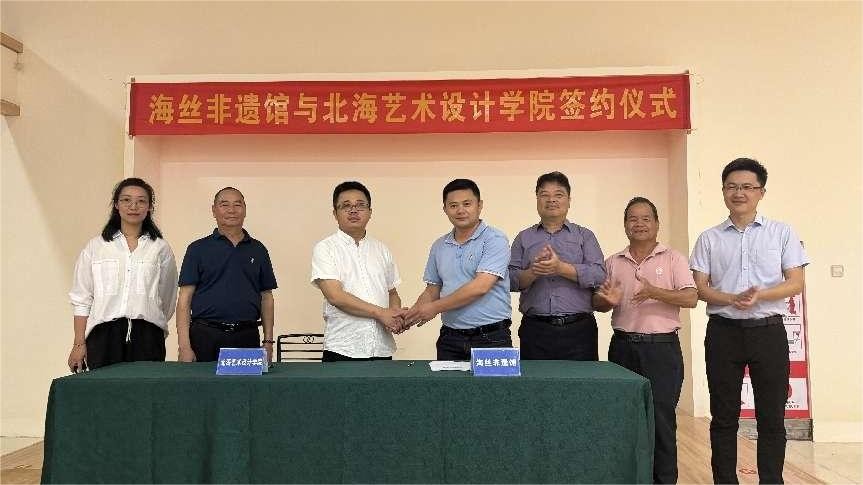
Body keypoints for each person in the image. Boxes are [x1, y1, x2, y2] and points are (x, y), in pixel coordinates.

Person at [690, 158, 808, 484]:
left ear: (761, 192)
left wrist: (761, 296)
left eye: (746, 187)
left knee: (772, 417)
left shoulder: (782, 233)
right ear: (723, 191)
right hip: (723, 333)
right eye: (732, 186)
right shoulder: (709, 238)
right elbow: (701, 289)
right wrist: (731, 299)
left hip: (768, 333)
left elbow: (795, 282)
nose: (738, 193)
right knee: (723, 417)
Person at [593, 196, 697, 484]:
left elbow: (691, 297)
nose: (639, 224)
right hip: (622, 348)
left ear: (656, 224)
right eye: (632, 219)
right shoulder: (613, 262)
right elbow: (598, 304)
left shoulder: (673, 258)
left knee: (661, 420)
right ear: (625, 225)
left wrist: (656, 292)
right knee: (623, 419)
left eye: (645, 218)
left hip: (661, 349)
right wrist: (605, 300)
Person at [68, 178, 178, 372]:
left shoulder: (160, 248)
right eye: (126, 200)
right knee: (104, 390)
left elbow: (167, 298)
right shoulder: (97, 247)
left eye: (141, 201)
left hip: (148, 337)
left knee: (146, 389)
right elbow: (82, 298)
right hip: (103, 337)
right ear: (116, 205)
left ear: (149, 207)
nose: (133, 206)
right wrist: (79, 344)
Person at [404, 179, 512, 360]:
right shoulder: (439, 245)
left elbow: (480, 287)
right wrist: (411, 315)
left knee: (493, 381)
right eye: (453, 205)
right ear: (445, 209)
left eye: (467, 204)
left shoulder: (495, 239)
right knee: (447, 381)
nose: (460, 210)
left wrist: (434, 308)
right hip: (450, 337)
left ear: (480, 205)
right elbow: (432, 289)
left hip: (491, 337)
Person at [509, 171, 606, 360]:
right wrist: (533, 272)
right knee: (536, 380)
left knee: (582, 380)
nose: (551, 200)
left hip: (579, 330)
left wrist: (561, 268)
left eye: (558, 195)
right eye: (544, 195)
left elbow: (599, 274)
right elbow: (510, 280)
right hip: (535, 330)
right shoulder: (523, 238)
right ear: (537, 200)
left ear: (569, 201)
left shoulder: (584, 236)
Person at [176, 187, 278, 363]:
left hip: (247, 336)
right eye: (224, 205)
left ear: (245, 210)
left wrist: (268, 342)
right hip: (205, 336)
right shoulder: (197, 249)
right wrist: (184, 346)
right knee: (202, 382)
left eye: (237, 204)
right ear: (214, 210)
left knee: (245, 382)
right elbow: (184, 300)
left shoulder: (258, 249)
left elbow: (266, 297)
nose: (232, 210)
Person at [311, 181, 406, 362]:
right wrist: (381, 313)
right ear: (335, 213)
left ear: (370, 212)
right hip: (343, 349)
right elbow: (335, 296)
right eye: (346, 206)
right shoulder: (325, 248)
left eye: (360, 205)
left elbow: (392, 292)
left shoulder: (382, 249)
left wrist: (395, 315)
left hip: (381, 348)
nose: (353, 210)